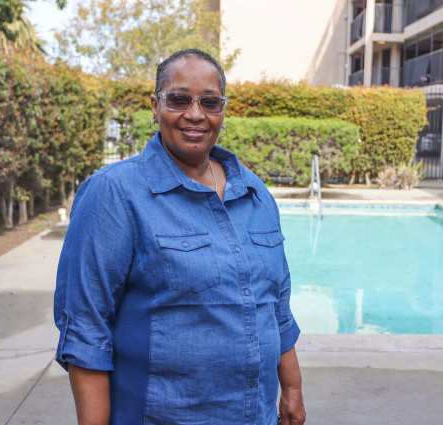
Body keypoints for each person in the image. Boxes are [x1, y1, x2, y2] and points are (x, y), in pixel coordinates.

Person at [53, 49, 306, 425]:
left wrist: (293, 389)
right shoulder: (114, 194)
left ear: (223, 109)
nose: (195, 114)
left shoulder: (254, 193)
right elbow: (87, 331)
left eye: (210, 102)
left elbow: (275, 307)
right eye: (179, 99)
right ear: (155, 107)